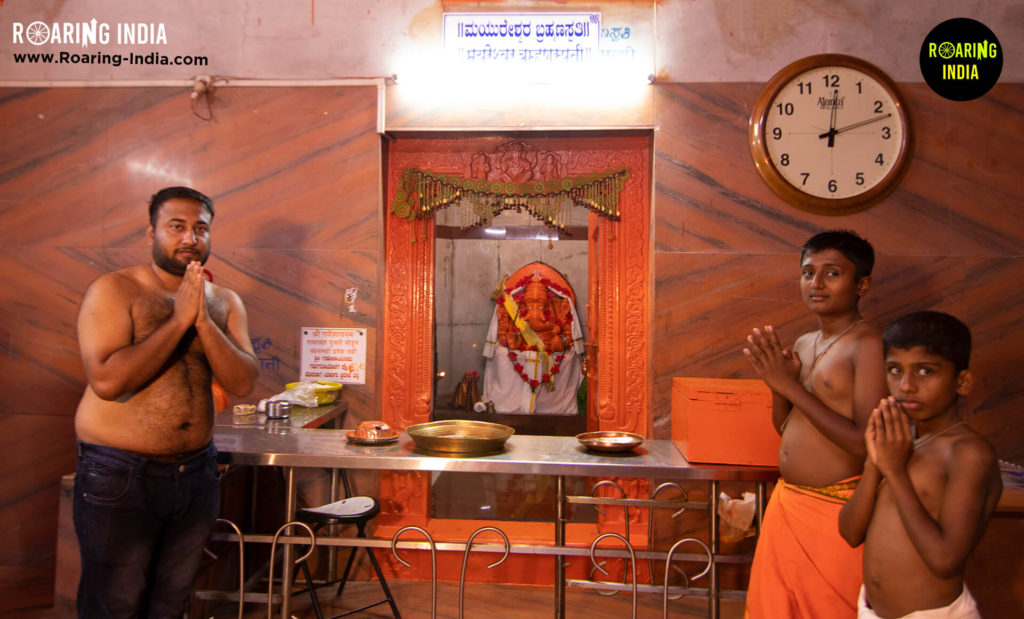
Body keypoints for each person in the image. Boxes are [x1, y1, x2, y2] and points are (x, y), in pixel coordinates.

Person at [73, 186, 259, 618]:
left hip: (195, 472)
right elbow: (107, 380)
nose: (190, 238)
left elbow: (243, 380)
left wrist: (203, 323)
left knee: (171, 601)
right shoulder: (116, 290)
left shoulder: (225, 301)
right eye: (176, 227)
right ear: (152, 231)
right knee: (115, 603)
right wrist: (178, 321)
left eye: (200, 228)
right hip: (120, 473)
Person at [742, 230, 888, 618]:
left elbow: (864, 444)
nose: (816, 283)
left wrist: (789, 384)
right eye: (808, 272)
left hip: (835, 511)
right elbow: (787, 427)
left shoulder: (868, 344)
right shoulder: (806, 342)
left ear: (862, 284)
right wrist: (778, 389)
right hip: (788, 503)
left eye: (832, 273)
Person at [838, 311, 1001, 618]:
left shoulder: (968, 453)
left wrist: (895, 471)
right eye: (895, 370)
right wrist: (875, 465)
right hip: (871, 611)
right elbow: (849, 532)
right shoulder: (897, 444)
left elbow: (945, 560)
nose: (907, 385)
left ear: (962, 381)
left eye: (925, 372)